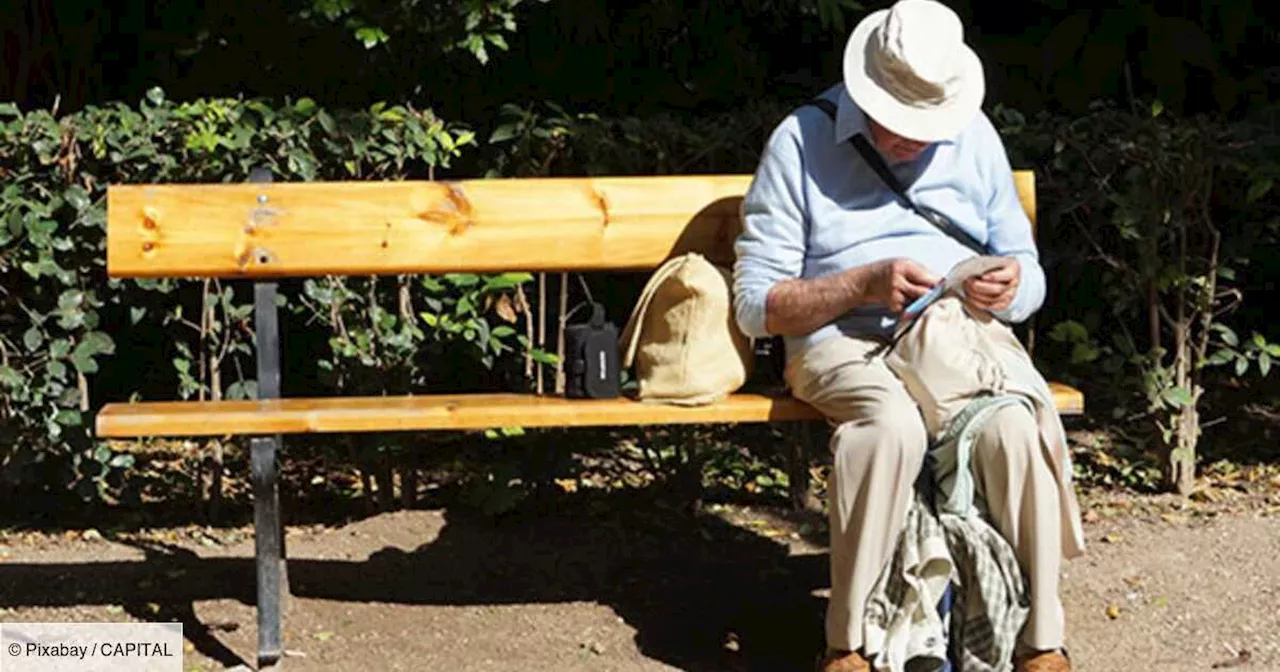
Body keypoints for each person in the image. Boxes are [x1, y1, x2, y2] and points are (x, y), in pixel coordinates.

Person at [731, 1, 1085, 671]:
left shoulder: (974, 136)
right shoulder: (800, 142)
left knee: (1014, 424)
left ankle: (1040, 644)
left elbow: (1030, 272)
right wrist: (858, 285)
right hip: (841, 343)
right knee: (891, 426)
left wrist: (1009, 287)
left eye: (929, 125)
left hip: (954, 337)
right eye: (899, 122)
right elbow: (755, 305)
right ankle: (849, 645)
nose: (915, 141)